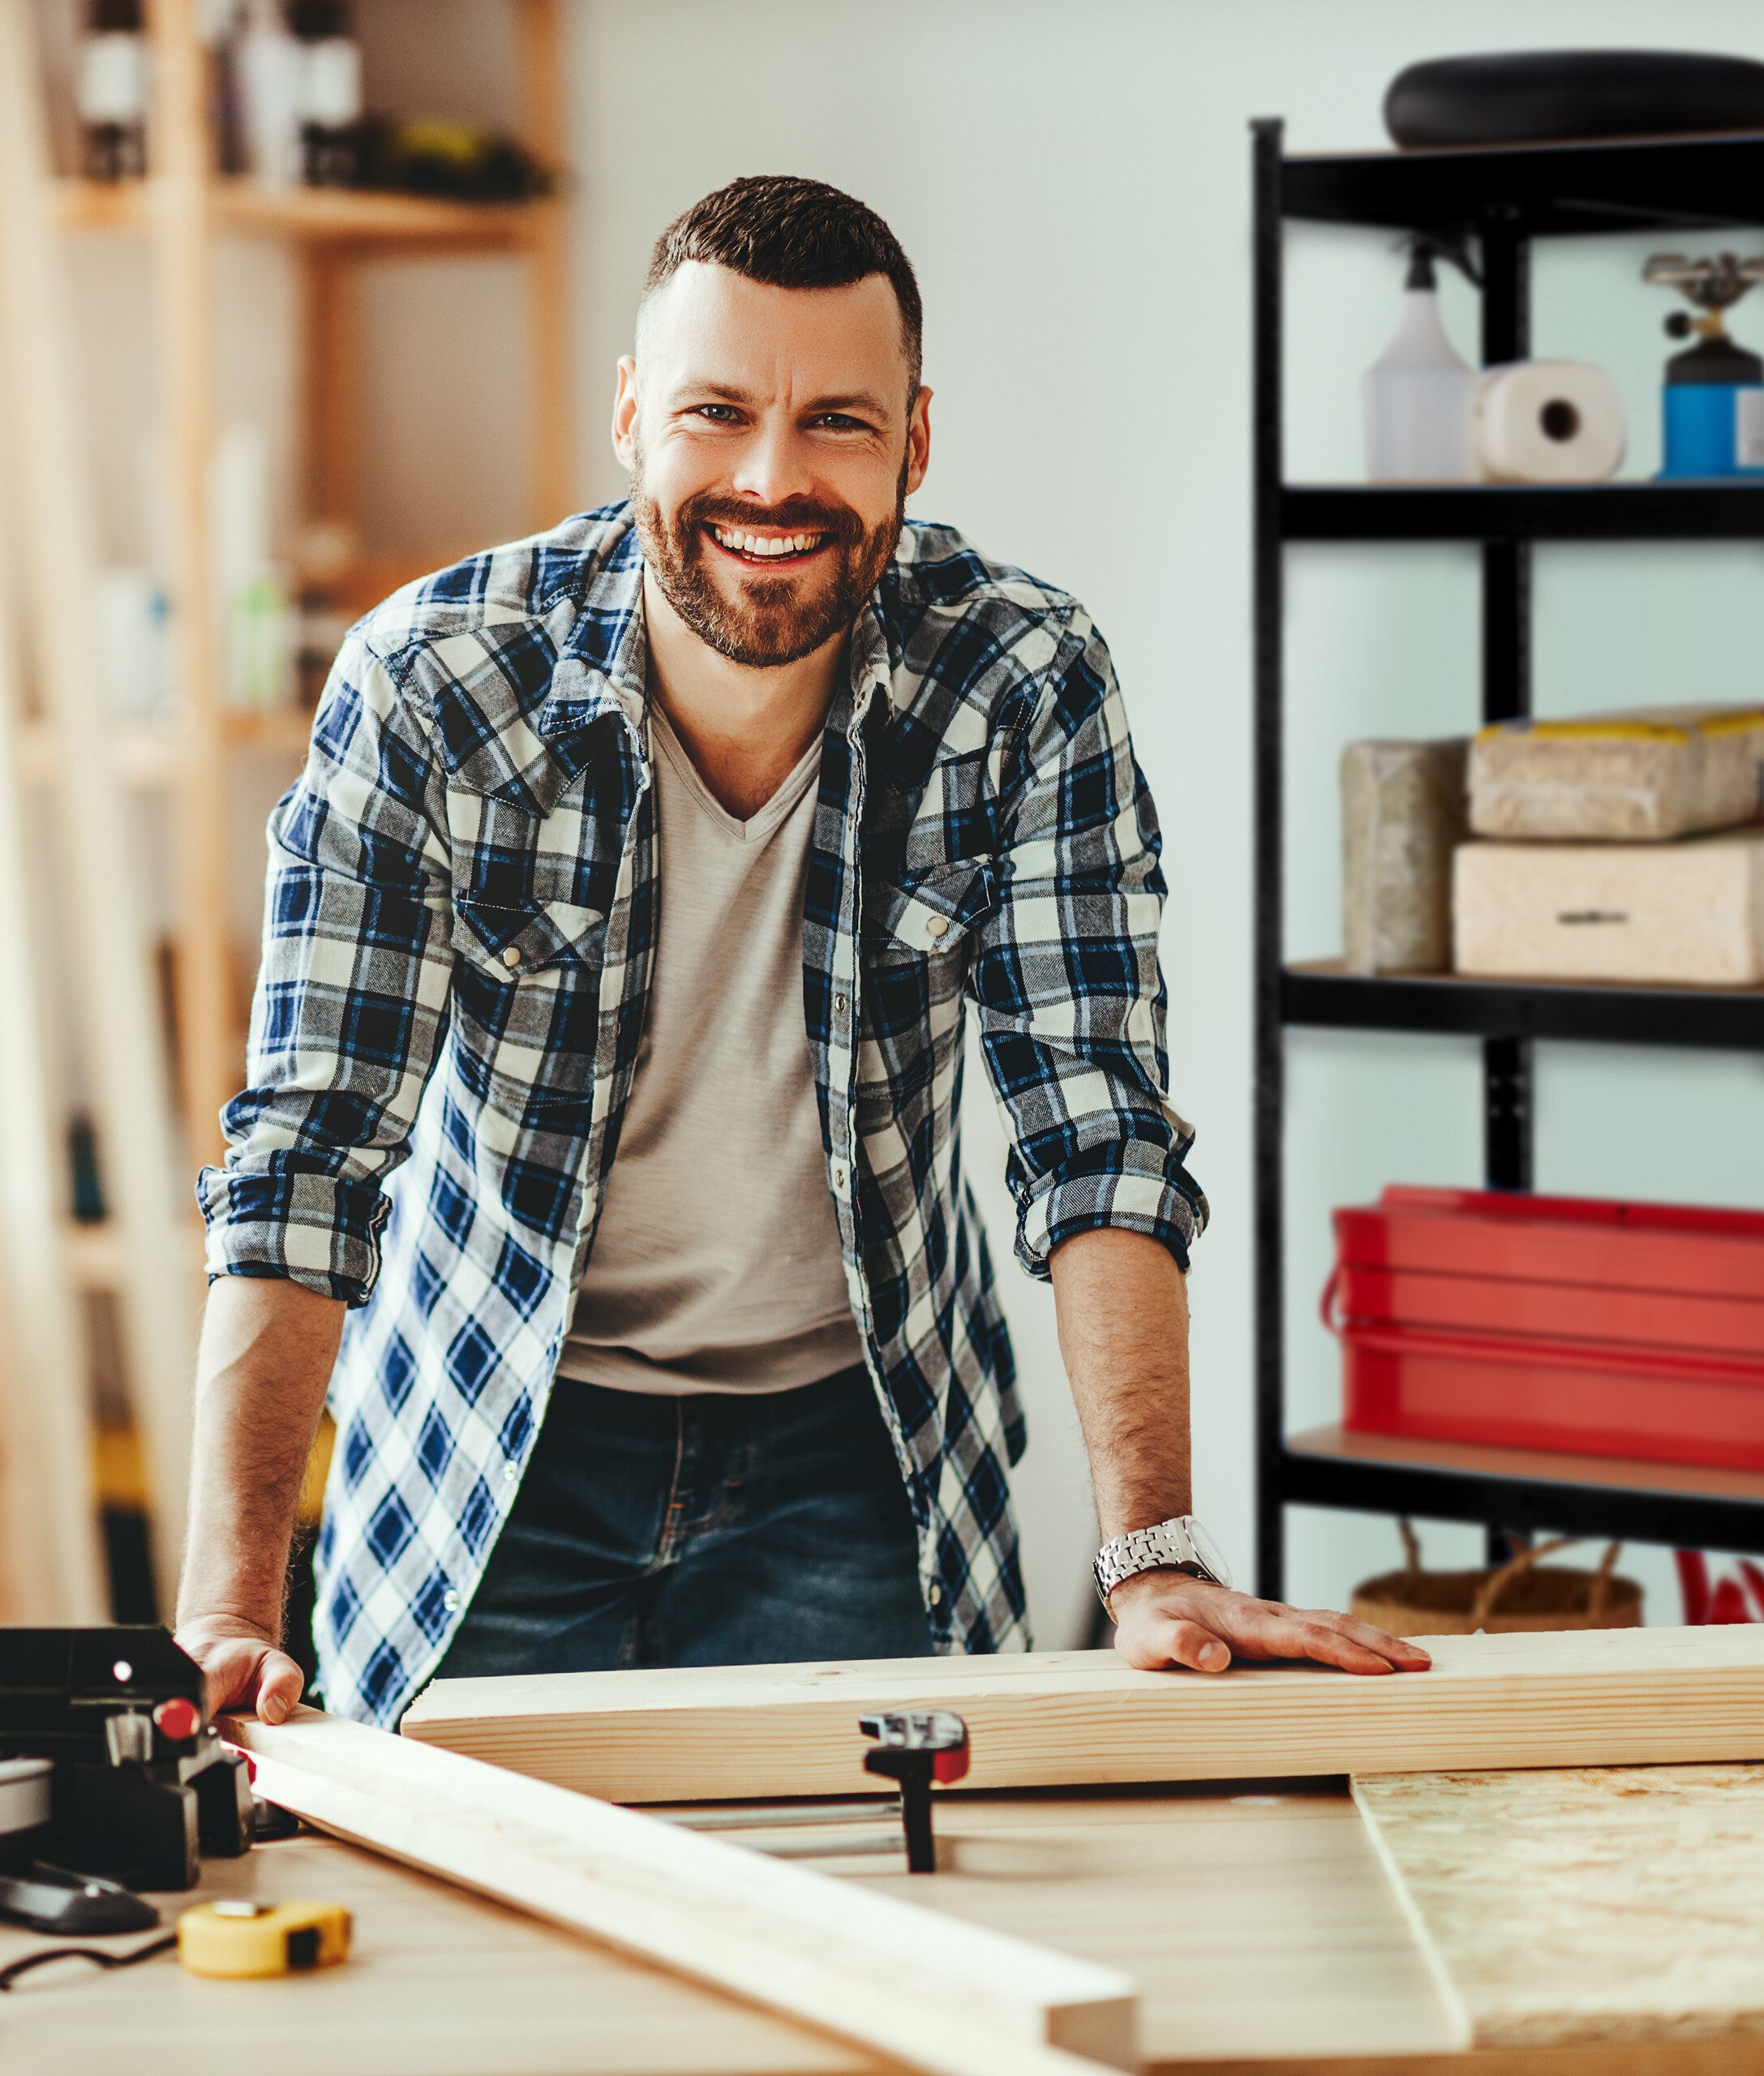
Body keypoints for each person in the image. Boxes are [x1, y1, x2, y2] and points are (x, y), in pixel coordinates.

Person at [175, 175, 1429, 1727]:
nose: (774, 477)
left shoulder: (1022, 681)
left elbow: (1094, 1131)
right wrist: (230, 1607)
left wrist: (1152, 1557)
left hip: (858, 1445)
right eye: (717, 412)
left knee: (876, 1892)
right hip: (493, 1430)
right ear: (633, 417)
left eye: (837, 420)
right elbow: (309, 1151)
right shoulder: (432, 683)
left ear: (915, 440)